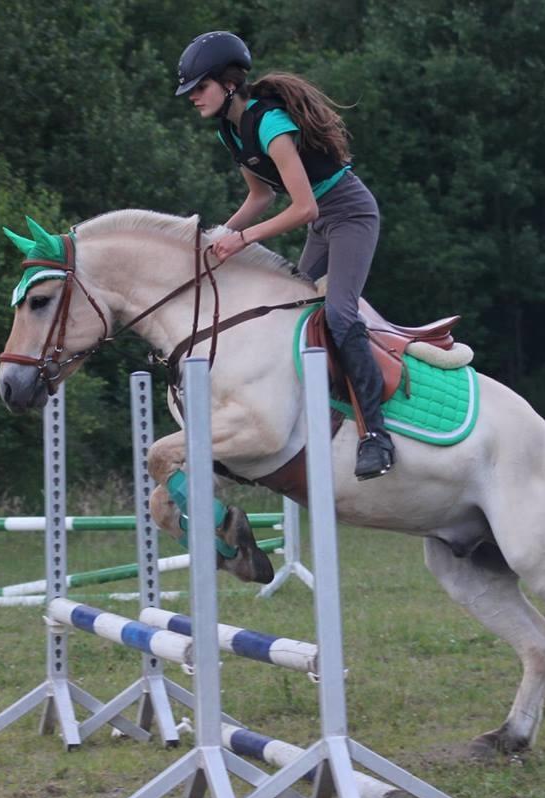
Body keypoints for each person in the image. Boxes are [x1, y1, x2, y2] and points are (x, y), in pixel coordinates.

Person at [175, 30, 394, 480]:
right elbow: (260, 197)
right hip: (320, 222)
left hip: (350, 215)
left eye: (200, 87)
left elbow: (304, 206)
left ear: (228, 84)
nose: (193, 98)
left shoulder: (270, 123)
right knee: (280, 310)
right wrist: (218, 236)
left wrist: (243, 240)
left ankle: (377, 435)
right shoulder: (230, 132)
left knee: (337, 314)